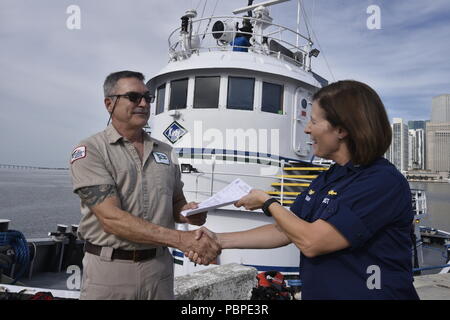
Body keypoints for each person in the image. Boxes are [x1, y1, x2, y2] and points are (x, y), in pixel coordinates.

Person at [187, 80, 420, 300]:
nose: (307, 129)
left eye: (314, 121)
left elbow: (312, 242)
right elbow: (285, 230)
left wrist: (268, 203)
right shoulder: (329, 177)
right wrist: (219, 240)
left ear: (341, 129)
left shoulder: (380, 182)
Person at [70, 71, 220, 300]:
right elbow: (111, 219)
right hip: (110, 271)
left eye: (148, 98)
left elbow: (175, 202)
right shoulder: (91, 150)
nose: (143, 104)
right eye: (133, 97)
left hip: (159, 269)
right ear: (109, 103)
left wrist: (189, 213)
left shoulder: (166, 151)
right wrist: (182, 240)